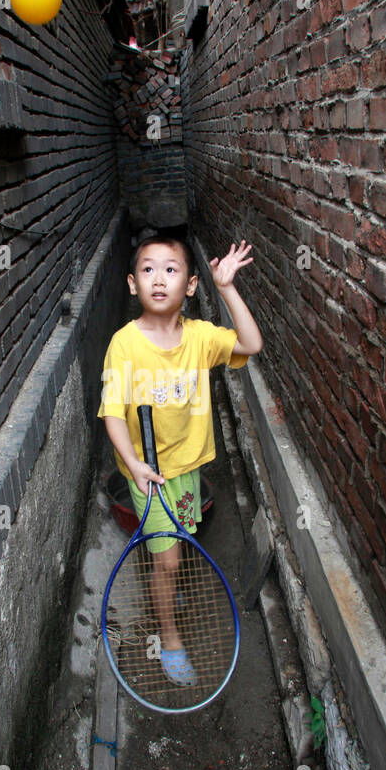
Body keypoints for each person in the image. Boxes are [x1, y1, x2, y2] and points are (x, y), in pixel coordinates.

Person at [97, 234, 263, 686]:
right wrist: (132, 465)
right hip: (146, 475)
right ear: (133, 284)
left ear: (190, 286)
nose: (158, 278)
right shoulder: (124, 345)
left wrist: (226, 288)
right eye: (147, 269)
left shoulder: (201, 338)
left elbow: (251, 344)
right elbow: (112, 413)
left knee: (182, 540)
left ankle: (165, 585)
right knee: (168, 561)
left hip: (187, 469)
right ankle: (169, 636)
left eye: (171, 270)